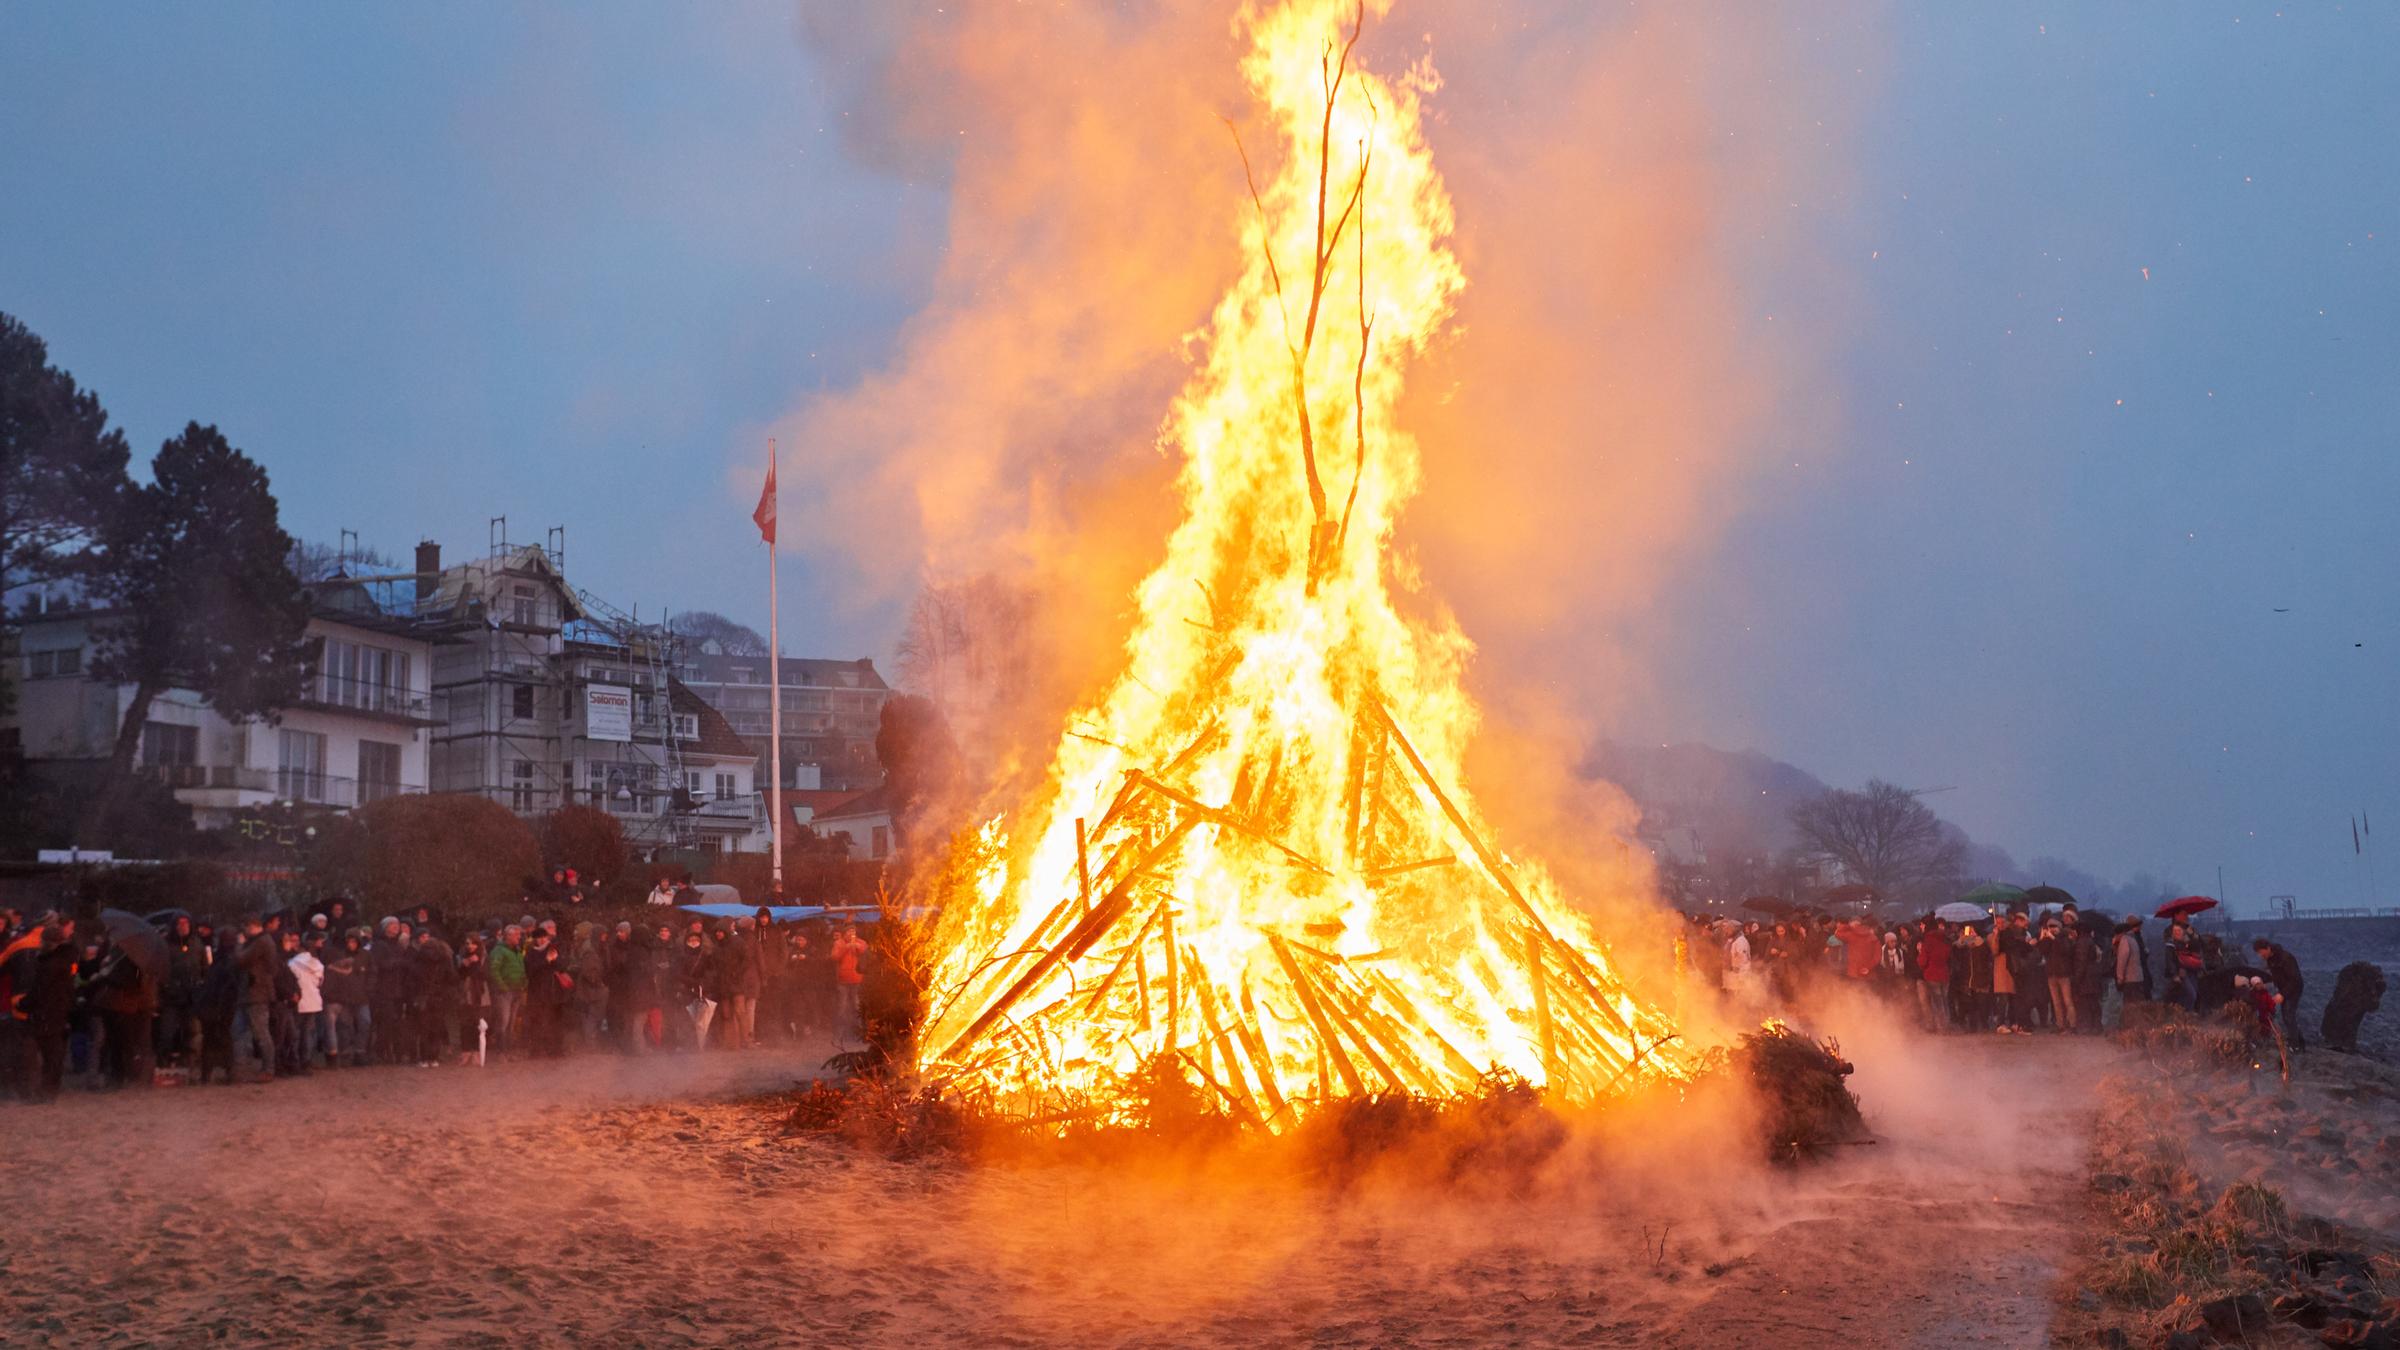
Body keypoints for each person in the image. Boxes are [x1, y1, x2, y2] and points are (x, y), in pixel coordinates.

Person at [233, 916, 281, 1081]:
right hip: (252, 993)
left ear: (251, 926)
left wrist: (239, 944)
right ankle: (240, 1068)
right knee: (239, 1031)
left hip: (256, 994)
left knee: (260, 1033)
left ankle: (268, 1069)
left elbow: (241, 959)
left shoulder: (261, 942)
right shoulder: (263, 941)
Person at [2251, 938, 2306, 1051]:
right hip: (2284, 989)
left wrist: (2282, 995)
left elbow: (2295, 980)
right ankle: (2299, 1042)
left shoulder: (2286, 958)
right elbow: (2277, 976)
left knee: (2288, 1015)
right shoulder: (2270, 959)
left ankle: (2295, 1046)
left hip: (2294, 989)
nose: (2261, 956)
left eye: (2261, 952)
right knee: (2287, 1016)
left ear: (2268, 948)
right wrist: (2267, 986)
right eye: (2259, 954)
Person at [322, 932, 367, 1068]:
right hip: (343, 999)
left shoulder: (329, 964)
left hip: (332, 1000)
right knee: (344, 1028)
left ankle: (334, 1056)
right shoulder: (347, 966)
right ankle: (343, 1055)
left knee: (332, 1029)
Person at [290, 933, 328, 1070]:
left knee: (296, 1033)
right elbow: (320, 983)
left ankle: (295, 1061)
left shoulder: (292, 963)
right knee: (309, 1033)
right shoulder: (318, 964)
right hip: (314, 1002)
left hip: (298, 1002)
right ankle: (307, 1060)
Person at [2036, 917, 2077, 1033]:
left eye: (2054, 927)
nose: (2052, 929)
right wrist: (2042, 938)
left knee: (2067, 1000)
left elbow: (2065, 950)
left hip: (2064, 974)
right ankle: (2060, 1025)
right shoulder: (2048, 940)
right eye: (2050, 927)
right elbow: (2041, 951)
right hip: (2051, 973)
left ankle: (2073, 1025)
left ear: (2059, 927)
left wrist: (2054, 938)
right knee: (2056, 1002)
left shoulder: (2064, 938)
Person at [832, 922, 869, 1047]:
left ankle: (859, 1033)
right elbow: (835, 957)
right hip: (843, 980)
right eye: (849, 932)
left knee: (856, 1007)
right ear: (844, 933)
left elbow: (864, 948)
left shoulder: (860, 942)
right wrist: (846, 947)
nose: (852, 934)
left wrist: (855, 945)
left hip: (857, 980)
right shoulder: (839, 943)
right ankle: (839, 1034)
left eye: (853, 932)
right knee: (842, 1008)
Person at [1915, 921, 1953, 1032]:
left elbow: (1922, 962)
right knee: (1944, 1000)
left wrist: (1919, 952)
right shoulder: (1944, 940)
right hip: (1944, 974)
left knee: (1937, 1002)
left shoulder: (1928, 942)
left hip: (1932, 975)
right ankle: (1947, 1024)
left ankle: (1941, 1027)